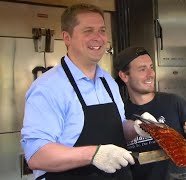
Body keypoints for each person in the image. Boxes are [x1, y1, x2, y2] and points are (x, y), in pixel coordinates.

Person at [21, 4, 139, 180]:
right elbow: (36, 155)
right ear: (67, 38)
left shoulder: (107, 81)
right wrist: (94, 154)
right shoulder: (48, 87)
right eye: (88, 31)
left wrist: (137, 128)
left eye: (102, 30)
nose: (98, 38)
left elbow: (118, 128)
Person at [115, 47, 186, 180]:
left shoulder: (173, 102)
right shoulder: (120, 112)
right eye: (142, 69)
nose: (151, 74)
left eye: (151, 67)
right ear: (124, 76)